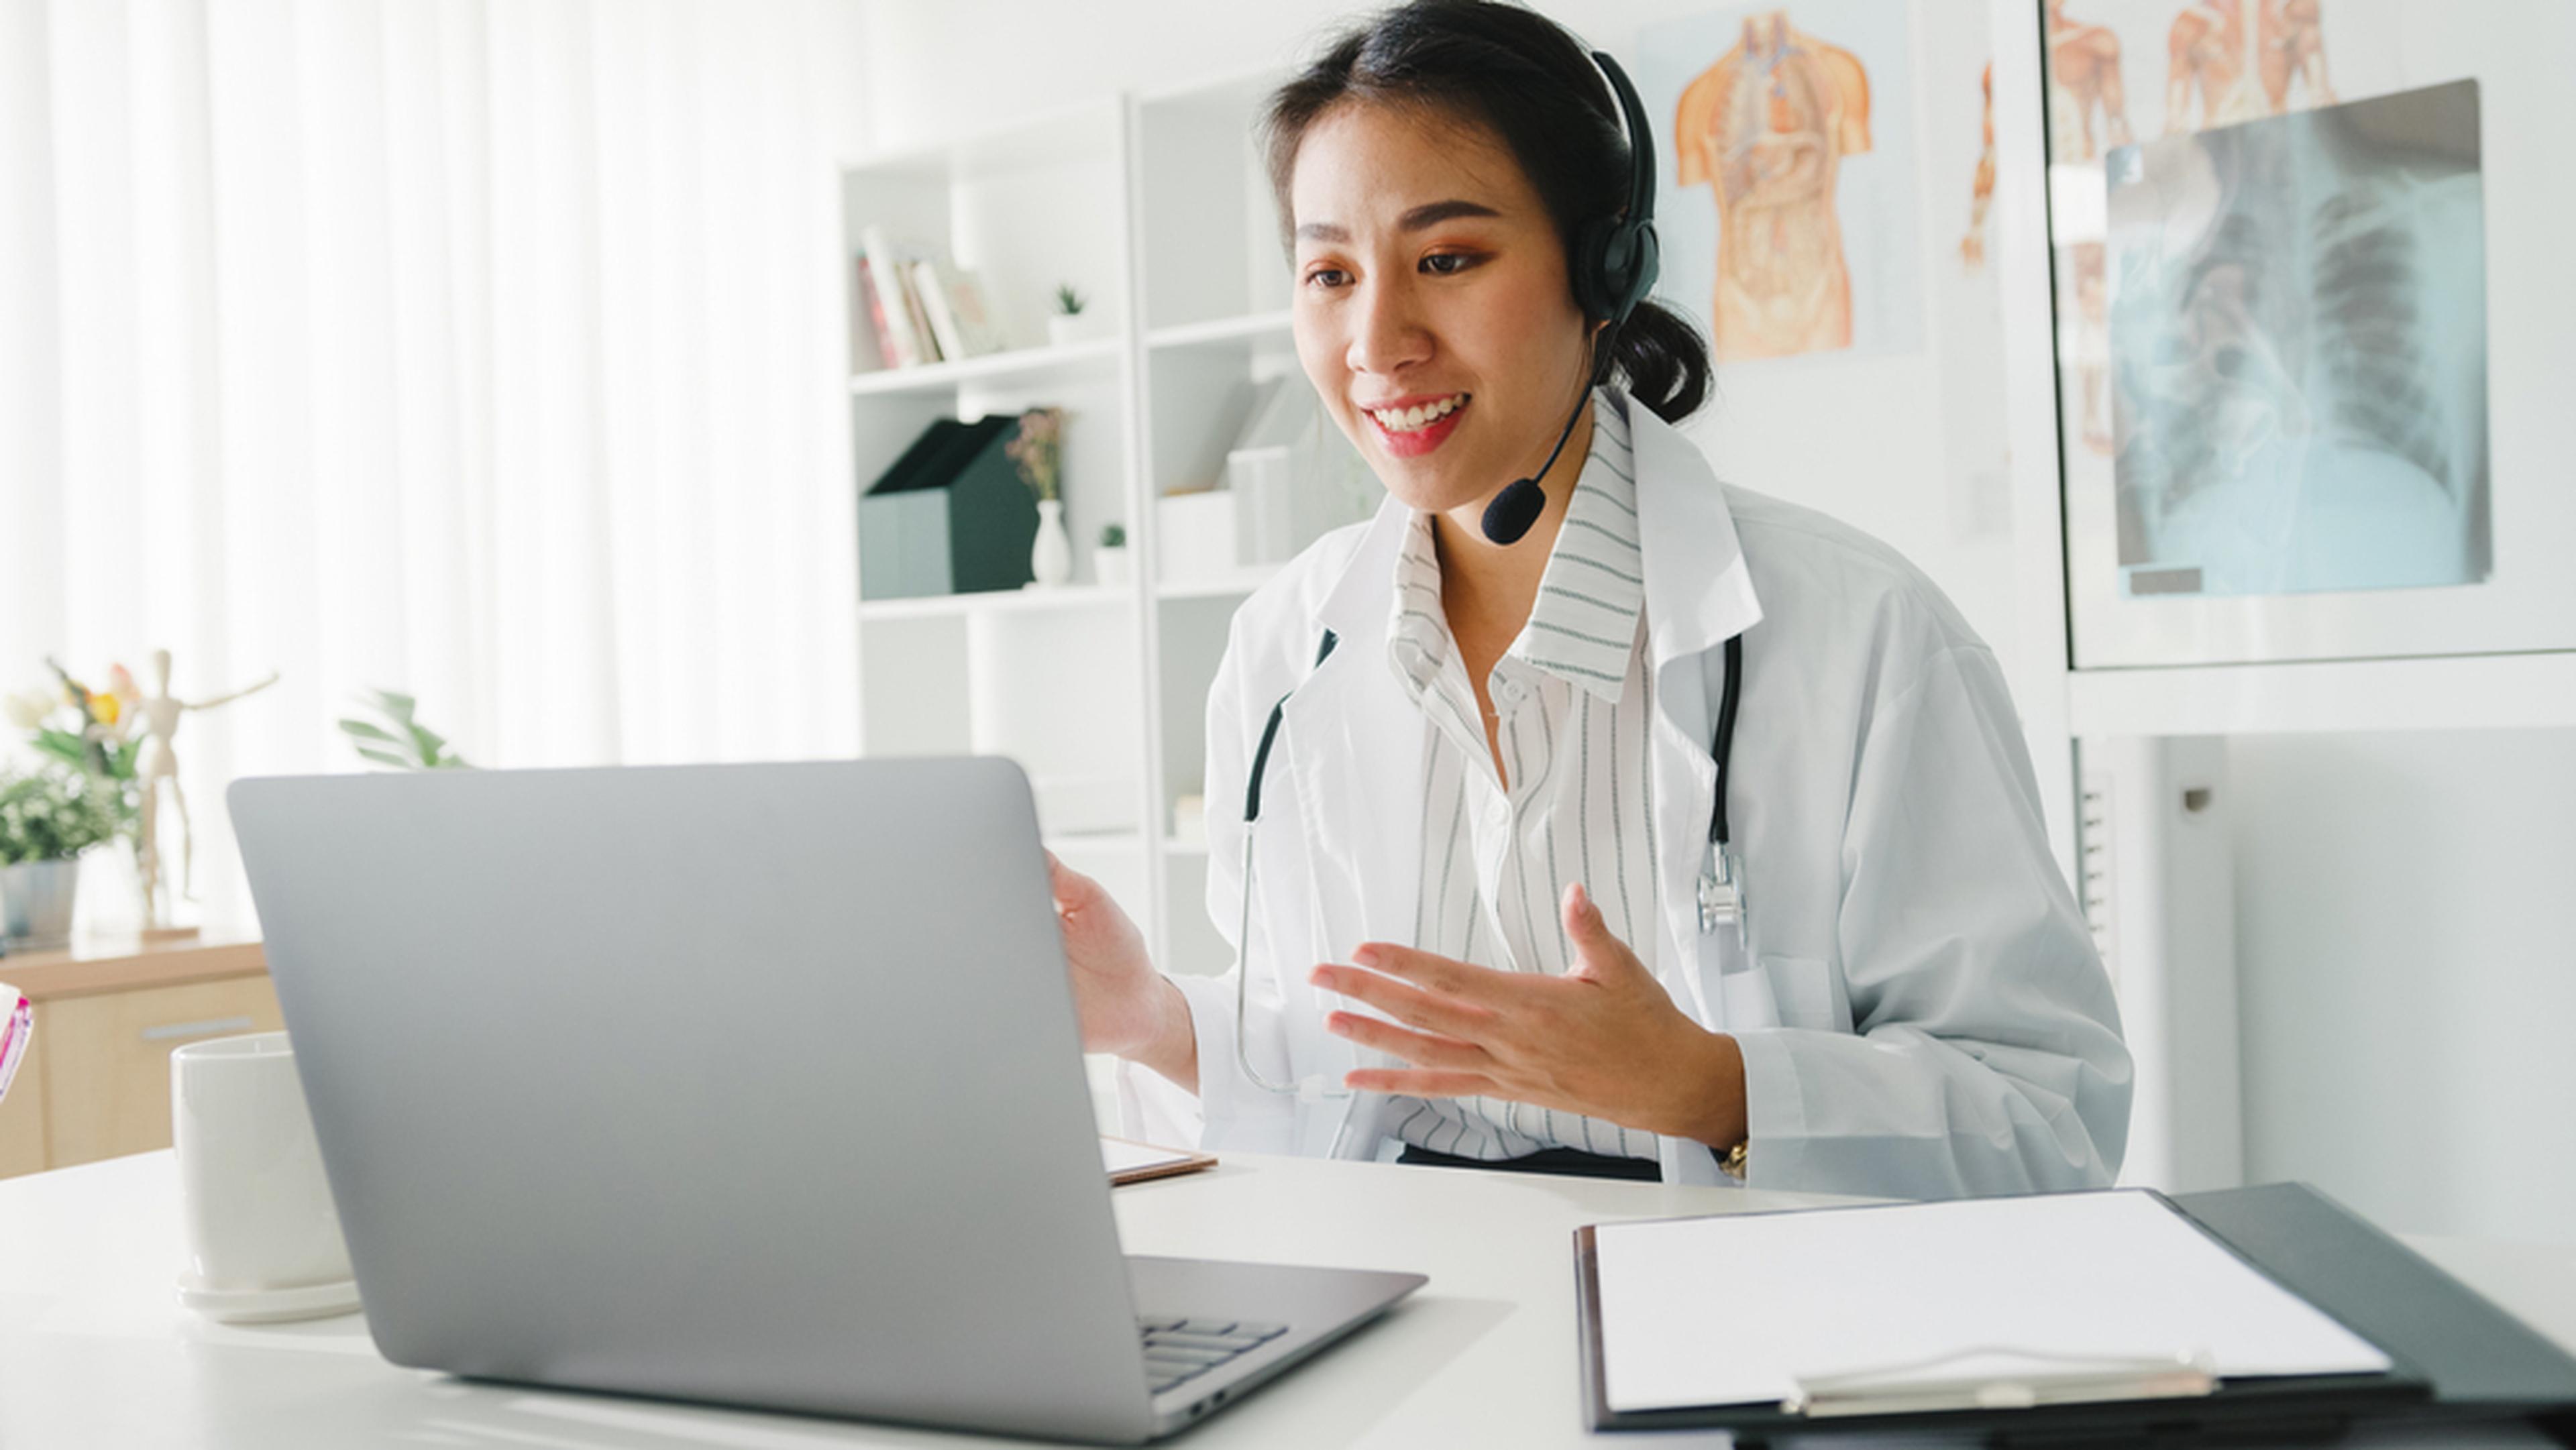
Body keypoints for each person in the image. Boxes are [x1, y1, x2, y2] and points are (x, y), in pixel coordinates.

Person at [1048, 0, 2131, 1198]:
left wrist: (1713, 1086)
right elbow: (1311, 1070)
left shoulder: (1868, 635)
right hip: (1404, 1283)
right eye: (1330, 273)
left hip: (1748, 1309)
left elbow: (2049, 1119)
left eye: (1446, 259)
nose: (1377, 338)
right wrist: (1149, 1016)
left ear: (1606, 267)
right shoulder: (1283, 651)